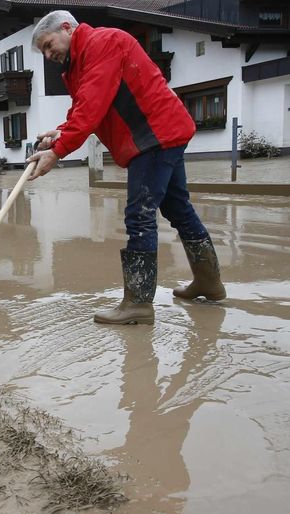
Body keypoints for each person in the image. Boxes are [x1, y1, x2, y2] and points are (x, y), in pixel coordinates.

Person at [28, 11, 226, 325]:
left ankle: (137, 302)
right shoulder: (78, 66)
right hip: (159, 135)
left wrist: (59, 151)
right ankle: (209, 283)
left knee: (139, 215)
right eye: (45, 52)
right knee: (178, 208)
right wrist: (61, 131)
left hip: (154, 136)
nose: (49, 55)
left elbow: (91, 106)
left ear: (67, 27)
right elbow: (84, 108)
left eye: (49, 45)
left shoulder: (103, 42)